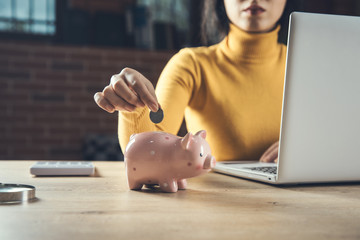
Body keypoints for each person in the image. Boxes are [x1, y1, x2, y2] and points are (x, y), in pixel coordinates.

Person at [94, 0, 290, 163]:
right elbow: (146, 157)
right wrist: (134, 106)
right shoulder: (191, 65)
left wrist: (310, 150)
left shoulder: (308, 65)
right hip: (215, 205)